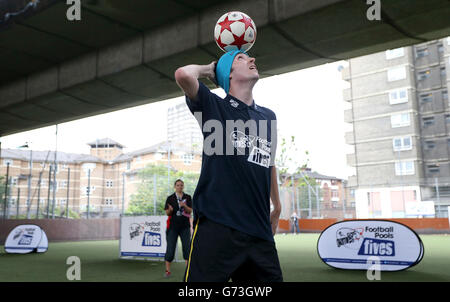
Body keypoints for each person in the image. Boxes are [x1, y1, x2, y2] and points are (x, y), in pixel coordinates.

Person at [174, 50, 283, 282]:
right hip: (217, 228)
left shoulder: (268, 117)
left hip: (259, 232)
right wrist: (209, 69)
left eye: (250, 57)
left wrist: (277, 205)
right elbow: (183, 74)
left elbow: (269, 162)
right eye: (241, 59)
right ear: (228, 75)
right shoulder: (213, 106)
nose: (252, 59)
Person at [164, 179, 192, 278]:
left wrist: (184, 205)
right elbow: (167, 213)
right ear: (174, 186)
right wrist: (170, 210)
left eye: (181, 185)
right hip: (173, 228)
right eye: (178, 185)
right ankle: (167, 271)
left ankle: (189, 271)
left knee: (187, 249)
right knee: (170, 249)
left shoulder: (187, 197)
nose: (179, 187)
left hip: (185, 227)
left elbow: (190, 211)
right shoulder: (170, 198)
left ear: (183, 186)